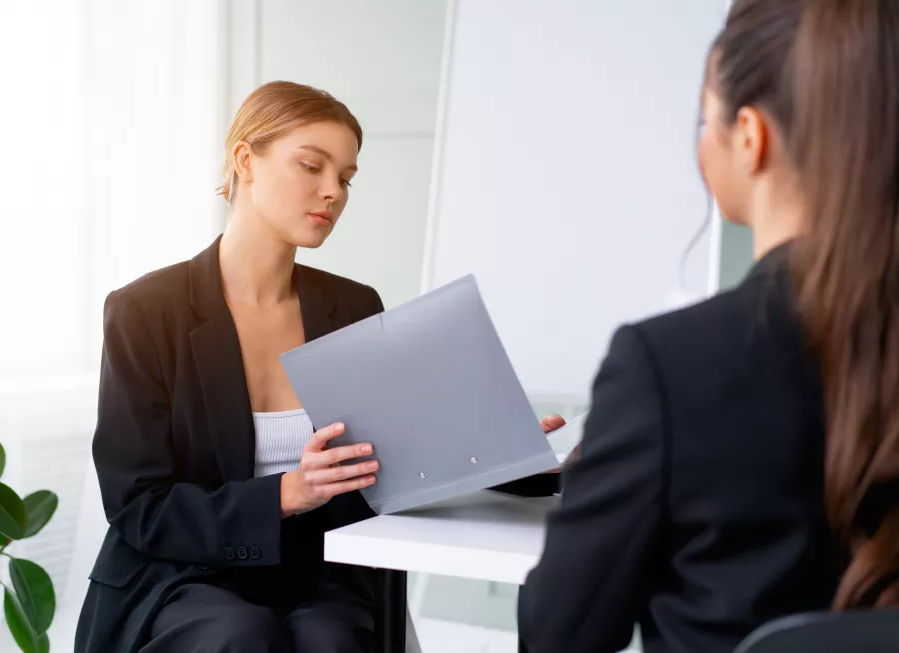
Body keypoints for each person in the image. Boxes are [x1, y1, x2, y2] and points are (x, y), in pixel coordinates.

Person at [74, 80, 559, 653]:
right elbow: (137, 503)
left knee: (331, 638)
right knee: (238, 634)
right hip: (183, 573)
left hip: (322, 566)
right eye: (312, 165)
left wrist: (521, 455)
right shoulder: (145, 311)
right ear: (244, 159)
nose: (333, 191)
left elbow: (405, 450)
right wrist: (285, 493)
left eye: (346, 178)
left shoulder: (352, 306)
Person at [517, 1, 899, 652]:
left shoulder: (666, 366)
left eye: (705, 117)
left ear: (750, 137)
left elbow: (558, 634)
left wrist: (604, 469)